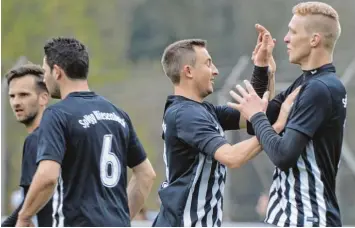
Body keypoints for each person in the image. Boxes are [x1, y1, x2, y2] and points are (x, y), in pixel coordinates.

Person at [152, 38, 300, 227]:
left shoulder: (204, 111)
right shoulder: (186, 114)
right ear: (188, 71)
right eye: (208, 64)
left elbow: (255, 116)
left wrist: (263, 70)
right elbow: (232, 157)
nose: (215, 70)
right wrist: (277, 128)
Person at [15, 37, 156, 227]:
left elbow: (48, 176)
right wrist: (120, 220)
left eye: (45, 70)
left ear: (56, 72)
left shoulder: (57, 114)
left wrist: (24, 217)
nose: (44, 78)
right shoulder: (118, 114)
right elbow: (146, 174)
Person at [230, 2, 346, 227]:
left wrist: (255, 115)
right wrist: (261, 68)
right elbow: (260, 126)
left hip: (308, 219)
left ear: (314, 40)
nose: (285, 38)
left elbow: (283, 155)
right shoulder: (306, 82)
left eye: (293, 31)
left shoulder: (320, 88)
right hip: (287, 217)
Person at [2, 63, 52, 227]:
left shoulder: (38, 139)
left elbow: (30, 200)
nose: (16, 102)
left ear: (43, 98)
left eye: (24, 95)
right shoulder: (57, 136)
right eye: (12, 96)